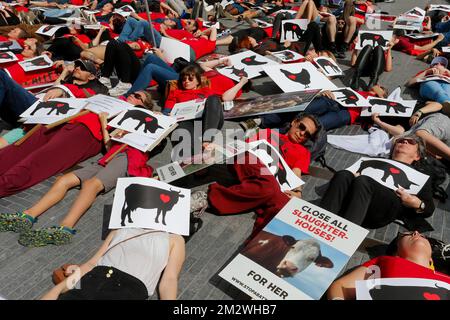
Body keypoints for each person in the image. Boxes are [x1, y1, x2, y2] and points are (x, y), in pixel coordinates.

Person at [0, 91, 155, 247]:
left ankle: (64, 226)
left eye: (138, 97)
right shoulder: (111, 99)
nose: (132, 95)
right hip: (66, 121)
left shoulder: (134, 117)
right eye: (133, 93)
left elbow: (117, 143)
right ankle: (29, 215)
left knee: (38, 161)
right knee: (17, 150)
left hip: (90, 134)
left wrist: (106, 120)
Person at [190, 113, 320, 241]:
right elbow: (244, 146)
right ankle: (209, 198)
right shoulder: (269, 132)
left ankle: (258, 244)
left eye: (307, 134)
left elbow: (296, 172)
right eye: (302, 127)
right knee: (269, 185)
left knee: (284, 203)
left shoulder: (303, 152)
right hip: (251, 158)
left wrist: (297, 192)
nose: (302, 133)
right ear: (294, 122)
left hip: (271, 176)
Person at [0, 59, 108, 198]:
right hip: (32, 112)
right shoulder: (66, 81)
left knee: (2, 75)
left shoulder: (95, 89)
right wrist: (64, 74)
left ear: (92, 76)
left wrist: (62, 90)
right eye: (77, 65)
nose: (77, 68)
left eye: (83, 68)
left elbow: (90, 99)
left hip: (43, 114)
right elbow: (53, 89)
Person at [320, 134, 435, 230]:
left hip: (382, 209)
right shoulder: (375, 161)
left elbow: (429, 209)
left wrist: (416, 203)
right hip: (354, 196)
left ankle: (346, 233)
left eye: (410, 141)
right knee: (343, 174)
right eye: (399, 141)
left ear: (417, 156)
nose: (404, 141)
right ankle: (319, 223)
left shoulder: (419, 177)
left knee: (363, 181)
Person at [41, 229, 185, 300]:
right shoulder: (121, 229)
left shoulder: (174, 239)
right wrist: (57, 290)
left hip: (129, 289)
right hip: (93, 279)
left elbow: (169, 279)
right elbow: (91, 264)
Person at [327, 230, 450, 300]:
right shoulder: (383, 262)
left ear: (431, 259)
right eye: (407, 234)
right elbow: (342, 287)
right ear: (396, 253)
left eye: (423, 236)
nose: (417, 233)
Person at [167, 64, 247, 160]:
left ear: (197, 81)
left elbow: (223, 99)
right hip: (186, 121)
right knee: (181, 128)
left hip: (207, 120)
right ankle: (197, 157)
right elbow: (167, 110)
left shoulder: (206, 91)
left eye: (190, 79)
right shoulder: (176, 93)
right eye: (184, 79)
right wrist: (164, 114)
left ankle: (207, 141)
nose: (186, 82)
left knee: (213, 99)